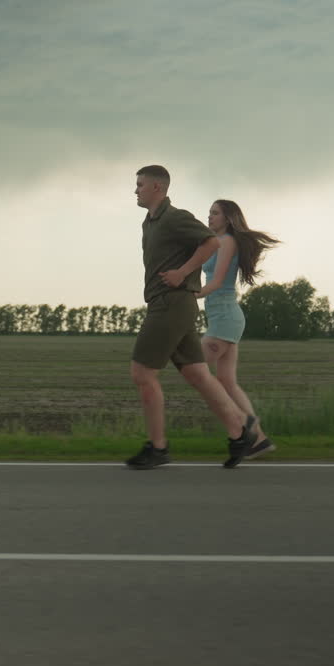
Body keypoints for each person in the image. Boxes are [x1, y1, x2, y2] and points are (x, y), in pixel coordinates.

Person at [125, 165, 258, 470]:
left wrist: (183, 272)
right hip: (171, 304)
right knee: (197, 375)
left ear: (157, 187)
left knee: (142, 373)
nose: (136, 190)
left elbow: (211, 242)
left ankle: (158, 447)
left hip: (171, 304)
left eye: (140, 184)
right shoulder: (150, 222)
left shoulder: (175, 217)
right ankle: (240, 432)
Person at [196, 199, 280, 458]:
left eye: (215, 213)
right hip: (223, 317)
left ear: (228, 218)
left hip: (225, 316)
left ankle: (244, 423)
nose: (209, 216)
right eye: (209, 212)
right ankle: (259, 439)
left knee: (193, 366)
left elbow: (218, 281)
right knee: (227, 382)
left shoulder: (227, 242)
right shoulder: (215, 242)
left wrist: (189, 294)